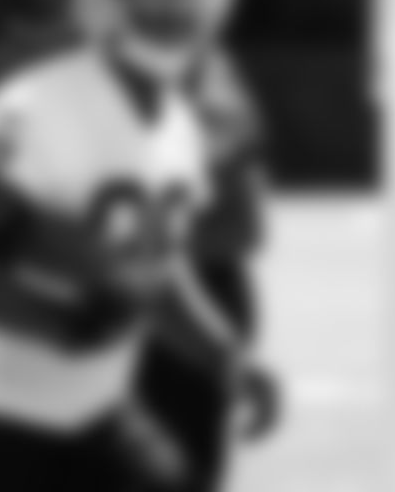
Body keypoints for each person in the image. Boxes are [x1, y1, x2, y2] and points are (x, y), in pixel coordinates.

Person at [0, 0, 277, 492]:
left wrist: (228, 357)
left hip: (90, 415)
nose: (174, 9)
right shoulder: (33, 107)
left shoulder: (178, 122)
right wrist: (55, 321)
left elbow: (155, 269)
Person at [135, 46, 274, 492]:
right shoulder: (212, 79)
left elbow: (245, 227)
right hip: (182, 289)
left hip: (189, 292)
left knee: (182, 463)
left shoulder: (209, 89)